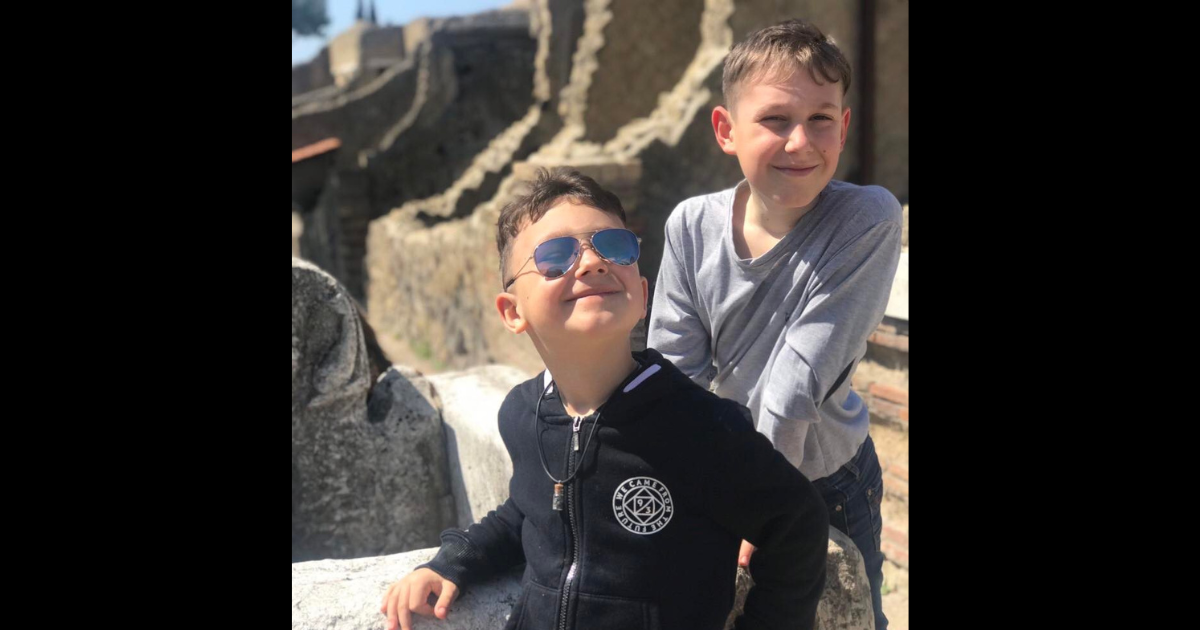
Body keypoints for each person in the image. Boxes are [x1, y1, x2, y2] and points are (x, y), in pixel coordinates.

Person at [381, 167, 828, 630]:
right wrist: (452, 561)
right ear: (513, 312)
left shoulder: (702, 427)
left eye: (614, 246)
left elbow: (796, 524)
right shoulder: (523, 413)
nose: (593, 262)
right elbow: (528, 512)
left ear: (641, 293)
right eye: (555, 256)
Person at [647, 19, 903, 630]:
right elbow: (673, 369)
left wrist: (758, 504)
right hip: (725, 470)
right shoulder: (691, 225)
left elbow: (795, 383)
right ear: (725, 130)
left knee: (852, 613)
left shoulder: (866, 220)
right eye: (774, 120)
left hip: (824, 480)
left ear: (843, 128)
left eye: (820, 119)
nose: (800, 143)